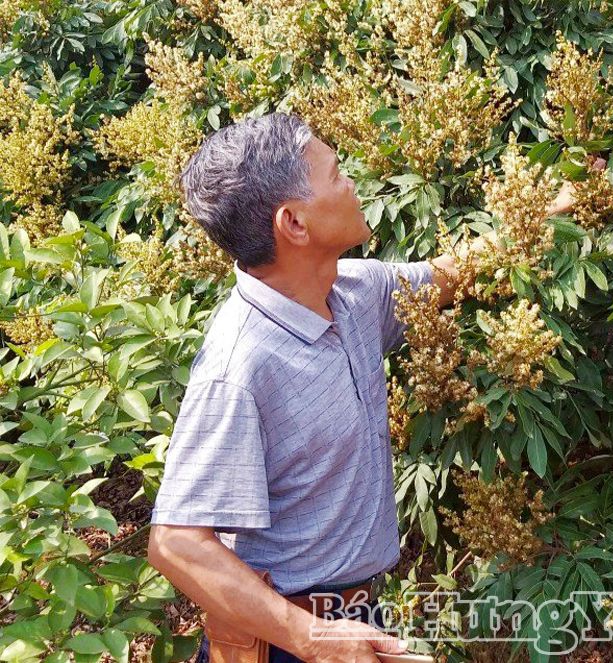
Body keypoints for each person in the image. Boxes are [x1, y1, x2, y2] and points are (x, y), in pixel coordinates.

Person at [145, 112, 582, 663]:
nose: (351, 183)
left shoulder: (353, 291)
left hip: (350, 618)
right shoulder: (239, 365)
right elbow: (177, 543)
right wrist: (312, 639)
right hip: (283, 639)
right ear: (294, 224)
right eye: (334, 174)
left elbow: (447, 274)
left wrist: (544, 211)